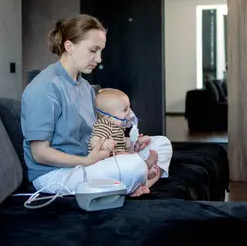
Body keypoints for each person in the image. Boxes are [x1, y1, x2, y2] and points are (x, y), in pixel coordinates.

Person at [21, 14, 173, 197]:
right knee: (133, 165)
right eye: (93, 50)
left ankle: (139, 183)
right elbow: (39, 153)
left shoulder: (84, 87)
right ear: (69, 46)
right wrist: (86, 161)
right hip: (55, 174)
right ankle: (137, 180)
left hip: (90, 159)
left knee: (162, 144)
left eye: (101, 51)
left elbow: (98, 133)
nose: (99, 59)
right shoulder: (44, 87)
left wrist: (129, 146)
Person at [90, 88, 171, 195]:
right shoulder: (104, 125)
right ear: (108, 117)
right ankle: (145, 167)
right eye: (125, 110)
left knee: (162, 142)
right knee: (125, 156)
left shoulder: (117, 127)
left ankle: (141, 185)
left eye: (129, 108)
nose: (129, 113)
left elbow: (123, 144)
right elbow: (94, 141)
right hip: (107, 161)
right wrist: (104, 144)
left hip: (121, 158)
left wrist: (136, 142)